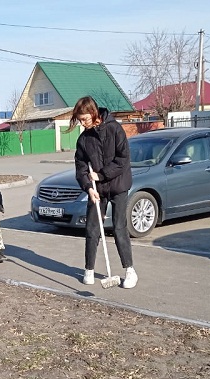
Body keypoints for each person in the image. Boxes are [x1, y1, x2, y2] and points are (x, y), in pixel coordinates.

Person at [70, 96, 137, 289]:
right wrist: (89, 187)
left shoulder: (114, 129)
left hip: (118, 185)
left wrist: (101, 175)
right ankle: (89, 269)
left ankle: (130, 270)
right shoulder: (84, 139)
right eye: (79, 120)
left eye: (84, 119)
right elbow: (81, 166)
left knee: (119, 227)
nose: (82, 123)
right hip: (97, 189)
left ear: (93, 113)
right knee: (92, 228)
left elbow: (123, 159)